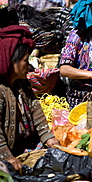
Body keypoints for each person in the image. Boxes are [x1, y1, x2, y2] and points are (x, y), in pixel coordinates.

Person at [0, 25, 59, 171]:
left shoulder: (23, 84)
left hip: (26, 147)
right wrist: (7, 156)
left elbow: (35, 110)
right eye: (25, 61)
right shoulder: (1, 91)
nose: (28, 65)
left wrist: (48, 137)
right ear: (12, 62)